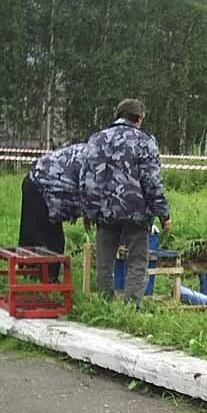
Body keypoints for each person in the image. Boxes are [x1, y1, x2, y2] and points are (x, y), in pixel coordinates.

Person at [79, 99, 171, 305]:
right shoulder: (145, 141)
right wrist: (163, 214)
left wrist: (88, 211)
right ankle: (131, 308)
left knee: (105, 262)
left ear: (118, 116)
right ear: (139, 118)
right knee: (137, 262)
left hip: (105, 212)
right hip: (136, 213)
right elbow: (151, 181)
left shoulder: (97, 139)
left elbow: (87, 179)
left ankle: (105, 304)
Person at [18, 142, 84, 281]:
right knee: (49, 242)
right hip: (40, 188)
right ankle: (45, 282)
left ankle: (34, 278)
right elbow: (90, 192)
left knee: (35, 237)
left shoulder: (91, 151)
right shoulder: (94, 161)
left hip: (37, 182)